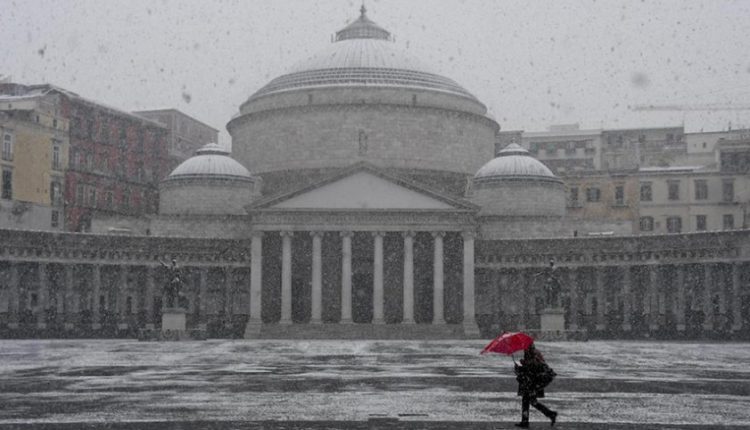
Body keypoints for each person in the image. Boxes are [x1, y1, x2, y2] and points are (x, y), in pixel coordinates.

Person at [514, 343, 558, 428]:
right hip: (533, 381)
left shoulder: (532, 353)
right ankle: (526, 421)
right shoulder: (533, 352)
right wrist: (522, 365)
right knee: (529, 401)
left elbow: (532, 367)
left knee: (529, 400)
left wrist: (521, 366)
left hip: (533, 381)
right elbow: (531, 365)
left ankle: (549, 414)